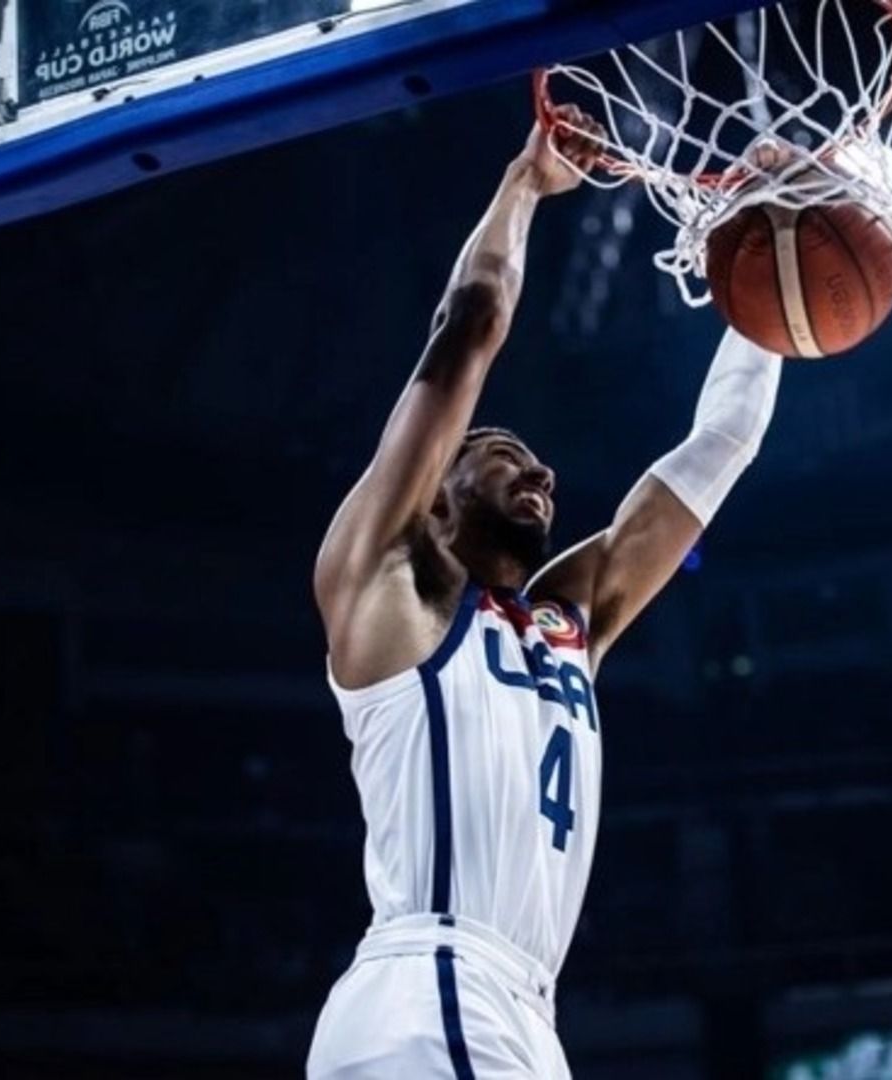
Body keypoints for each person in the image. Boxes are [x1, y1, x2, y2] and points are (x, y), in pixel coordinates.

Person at [307, 106, 784, 1078]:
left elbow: (722, 443)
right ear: (436, 497)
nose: (543, 473)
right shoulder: (384, 585)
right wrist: (524, 184)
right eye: (503, 454)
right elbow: (469, 328)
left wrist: (773, 263)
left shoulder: (568, 624)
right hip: (433, 983)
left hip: (516, 1007)